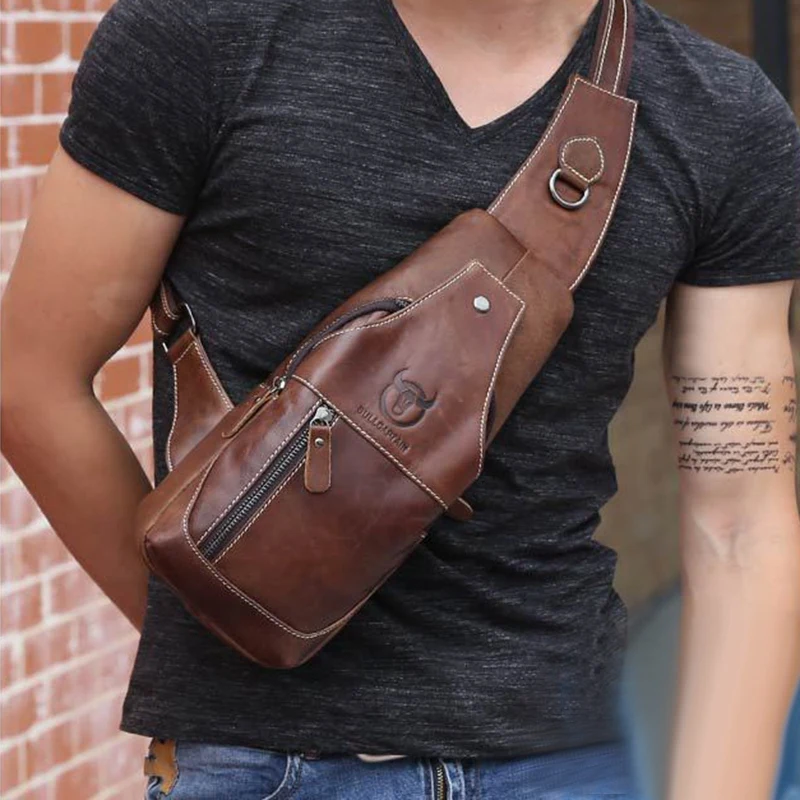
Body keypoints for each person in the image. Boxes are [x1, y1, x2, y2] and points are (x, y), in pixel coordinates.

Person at [2, 0, 799, 797]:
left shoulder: (723, 117)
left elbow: (744, 527)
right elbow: (31, 379)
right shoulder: (201, 33)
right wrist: (222, 624)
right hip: (264, 766)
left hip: (567, 758)